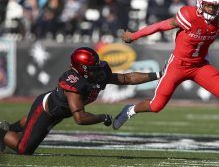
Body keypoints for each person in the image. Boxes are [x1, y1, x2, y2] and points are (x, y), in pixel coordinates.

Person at [113, 0, 219, 148]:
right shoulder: (188, 15)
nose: (212, 9)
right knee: (156, 105)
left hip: (200, 65)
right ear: (200, 3)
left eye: (215, 6)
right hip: (178, 65)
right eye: (208, 5)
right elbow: (160, 26)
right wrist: (134, 36)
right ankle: (130, 110)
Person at [0, 47, 163, 155]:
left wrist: (158, 75)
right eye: (92, 68)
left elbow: (126, 78)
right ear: (81, 70)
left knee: (31, 124)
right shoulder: (74, 84)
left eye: (97, 65)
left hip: (60, 111)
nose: (98, 70)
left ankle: (9, 128)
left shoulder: (97, 72)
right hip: (47, 110)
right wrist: (102, 117)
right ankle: (2, 133)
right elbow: (79, 118)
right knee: (24, 149)